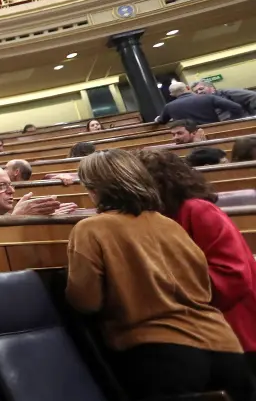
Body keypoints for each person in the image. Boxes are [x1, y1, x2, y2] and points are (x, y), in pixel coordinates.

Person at [66, 150, 252, 401]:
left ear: (94, 189)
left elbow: (86, 301)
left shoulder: (91, 229)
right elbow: (203, 285)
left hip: (160, 353)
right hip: (225, 347)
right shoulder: (169, 224)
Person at [140, 148, 256, 374]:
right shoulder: (156, 217)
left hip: (233, 320)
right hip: (200, 326)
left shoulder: (198, 210)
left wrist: (173, 289)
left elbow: (232, 274)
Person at [156, 81, 246, 125]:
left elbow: (161, 121)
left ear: (171, 94)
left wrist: (158, 119)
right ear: (188, 88)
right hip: (215, 130)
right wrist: (230, 123)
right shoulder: (208, 97)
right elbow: (236, 107)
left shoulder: (169, 107)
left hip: (191, 139)